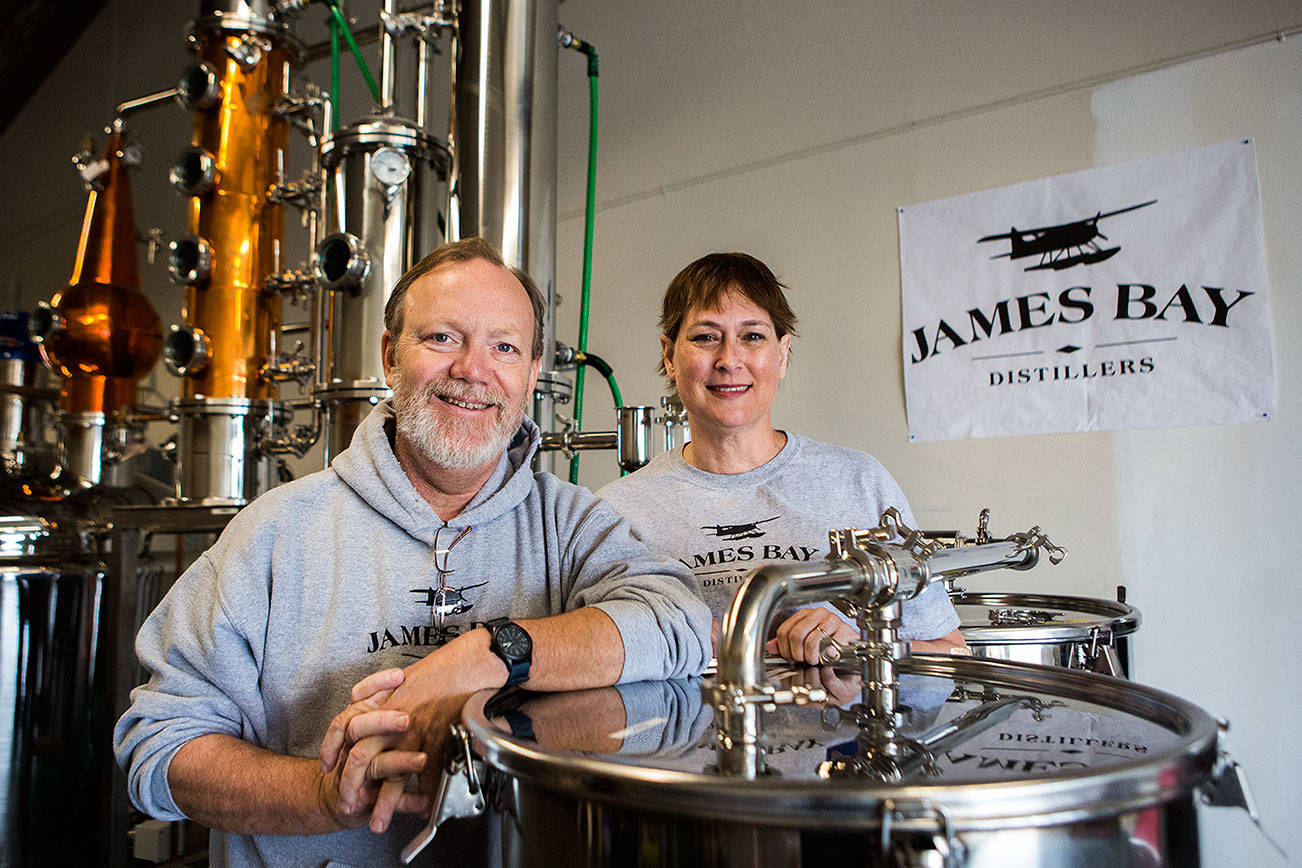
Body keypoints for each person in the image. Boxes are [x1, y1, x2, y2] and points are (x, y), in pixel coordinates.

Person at [114, 238, 712, 865]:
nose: (473, 370)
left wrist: (488, 655)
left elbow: (684, 622)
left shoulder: (566, 521)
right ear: (389, 357)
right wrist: (326, 795)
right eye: (442, 338)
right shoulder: (275, 533)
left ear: (534, 374)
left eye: (504, 347)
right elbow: (158, 748)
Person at [597, 252, 965, 664]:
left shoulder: (859, 482)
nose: (729, 360)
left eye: (752, 336)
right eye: (705, 336)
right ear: (669, 355)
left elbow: (949, 653)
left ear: (782, 352)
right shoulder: (616, 513)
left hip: (842, 726)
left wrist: (858, 646)